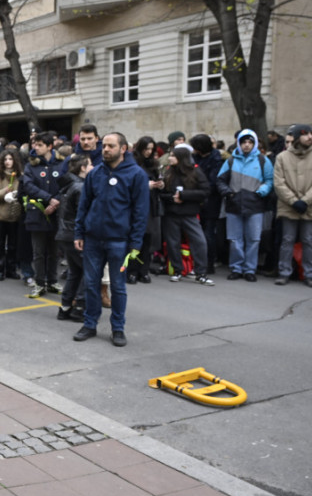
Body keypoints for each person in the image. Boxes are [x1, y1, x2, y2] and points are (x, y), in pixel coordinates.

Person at [73, 132, 150, 347]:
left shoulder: (137, 175)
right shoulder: (94, 173)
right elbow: (84, 206)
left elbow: (141, 212)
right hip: (93, 239)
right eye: (104, 146)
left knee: (118, 287)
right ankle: (89, 324)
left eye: (110, 146)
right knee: (91, 284)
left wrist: (135, 243)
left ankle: (118, 328)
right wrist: (79, 233)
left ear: (123, 149)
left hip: (120, 241)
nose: (105, 150)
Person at [217, 129, 274, 282]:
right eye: (244, 142)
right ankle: (236, 268)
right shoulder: (231, 161)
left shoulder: (263, 160)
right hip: (234, 205)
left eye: (250, 142)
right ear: (239, 143)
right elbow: (220, 180)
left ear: (255, 144)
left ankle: (250, 269)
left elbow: (269, 180)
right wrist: (228, 193)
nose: (247, 145)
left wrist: (262, 191)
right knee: (235, 239)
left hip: (255, 205)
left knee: (253, 239)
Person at [160, 144, 214, 285]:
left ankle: (201, 272)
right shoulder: (168, 172)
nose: (170, 158)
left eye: (173, 156)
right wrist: (172, 198)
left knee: (199, 242)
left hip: (189, 213)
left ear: (181, 158)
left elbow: (205, 191)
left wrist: (184, 195)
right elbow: (161, 194)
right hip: (172, 213)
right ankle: (177, 270)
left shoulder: (195, 172)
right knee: (173, 243)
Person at [273, 124, 312, 286]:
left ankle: (310, 273)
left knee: (309, 240)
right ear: (297, 138)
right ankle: (284, 272)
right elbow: (279, 183)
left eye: (311, 134)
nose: (310, 137)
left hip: (311, 206)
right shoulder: (282, 157)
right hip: (288, 206)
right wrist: (293, 201)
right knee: (287, 239)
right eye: (306, 134)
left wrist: (305, 201)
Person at [24, 132, 64, 298]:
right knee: (38, 252)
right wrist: (48, 199)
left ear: (49, 146)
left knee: (54, 251)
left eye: (40, 145)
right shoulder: (31, 166)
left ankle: (52, 280)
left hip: (56, 214)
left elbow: (67, 184)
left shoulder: (61, 164)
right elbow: (28, 185)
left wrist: (56, 201)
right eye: (35, 144)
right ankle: (40, 283)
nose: (36, 148)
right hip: (37, 215)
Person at [55, 154, 92, 321]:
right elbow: (82, 214)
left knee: (75, 272)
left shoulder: (69, 185)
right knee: (88, 271)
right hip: (73, 235)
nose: (92, 168)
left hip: (65, 233)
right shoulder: (80, 187)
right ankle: (79, 307)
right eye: (90, 165)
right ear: (83, 168)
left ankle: (65, 306)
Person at [188, 134, 225, 274]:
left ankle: (208, 262)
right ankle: (198, 262)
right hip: (197, 199)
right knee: (198, 233)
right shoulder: (196, 158)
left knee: (208, 234)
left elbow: (213, 182)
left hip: (211, 201)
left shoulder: (216, 159)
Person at [128, 136, 162, 284]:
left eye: (151, 149)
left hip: (151, 203)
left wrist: (160, 185)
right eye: (146, 149)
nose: (148, 152)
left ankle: (144, 270)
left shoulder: (153, 164)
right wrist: (147, 185)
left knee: (148, 239)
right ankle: (132, 270)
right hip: (136, 204)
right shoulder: (132, 162)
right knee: (137, 238)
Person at [0, 150, 23, 280]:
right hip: (0, 215)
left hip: (15, 215)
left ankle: (11, 269)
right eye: (5, 159)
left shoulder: (20, 176)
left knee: (13, 245)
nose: (8, 161)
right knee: (0, 244)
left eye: (10, 159)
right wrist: (4, 192)